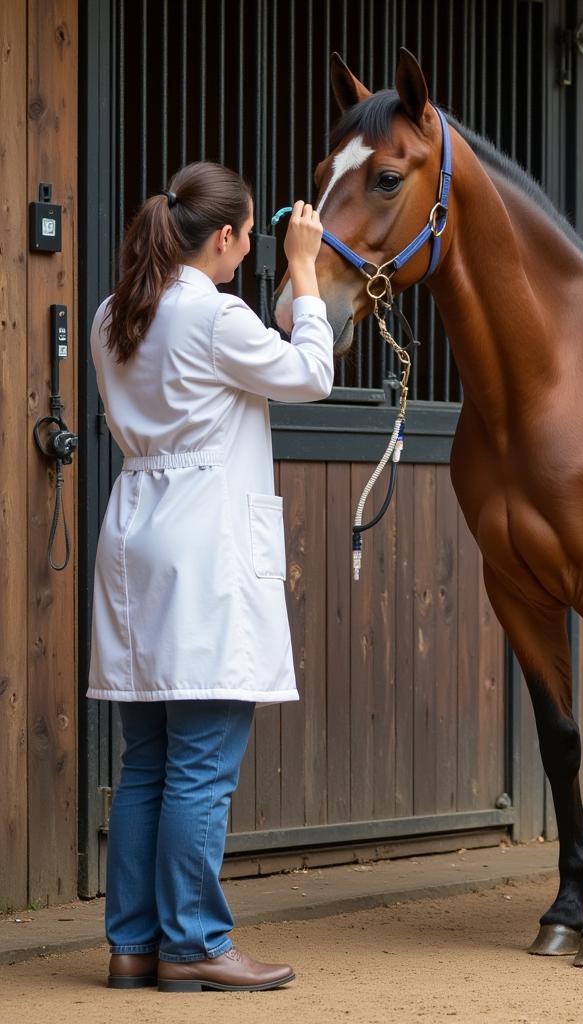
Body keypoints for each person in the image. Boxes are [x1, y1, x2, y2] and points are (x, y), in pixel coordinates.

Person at [88, 161, 334, 991]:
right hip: (203, 545)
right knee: (201, 763)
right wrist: (304, 269)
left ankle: (133, 944)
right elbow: (312, 375)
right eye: (253, 235)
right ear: (224, 239)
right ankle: (193, 943)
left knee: (148, 761)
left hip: (138, 535)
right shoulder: (214, 315)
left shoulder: (113, 313)